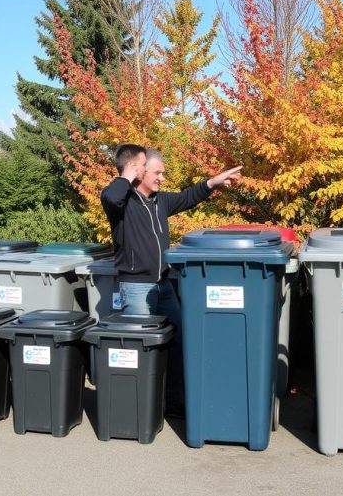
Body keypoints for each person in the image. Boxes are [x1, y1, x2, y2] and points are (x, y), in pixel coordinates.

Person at [101, 144, 242, 415]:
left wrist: (213, 182)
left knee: (178, 337)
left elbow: (188, 197)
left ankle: (172, 400)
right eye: (156, 172)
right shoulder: (122, 203)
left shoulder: (159, 201)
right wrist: (125, 175)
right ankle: (139, 408)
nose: (161, 178)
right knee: (141, 348)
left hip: (163, 285)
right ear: (137, 171)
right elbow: (110, 196)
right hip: (137, 287)